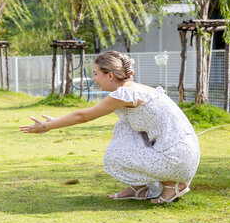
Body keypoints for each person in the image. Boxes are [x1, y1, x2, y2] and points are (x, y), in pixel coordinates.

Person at [19, 51, 200, 203]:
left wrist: (47, 126)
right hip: (186, 153)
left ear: (110, 75)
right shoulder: (137, 88)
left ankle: (172, 184)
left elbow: (84, 116)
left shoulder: (124, 93)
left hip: (178, 159)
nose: (94, 78)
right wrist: (55, 121)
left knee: (114, 156)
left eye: (96, 73)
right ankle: (139, 188)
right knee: (124, 126)